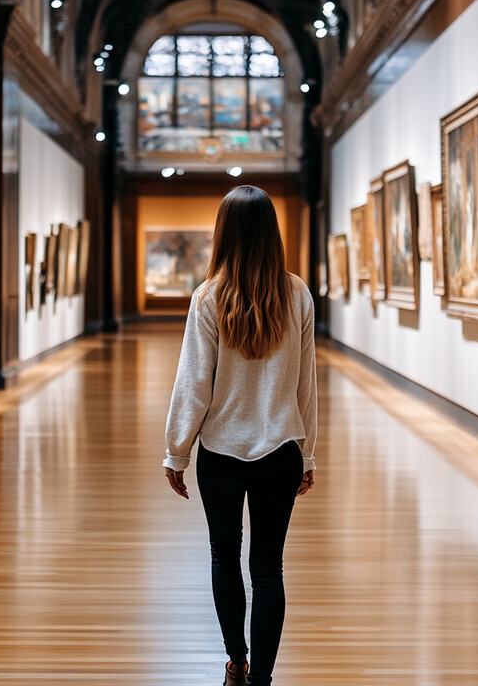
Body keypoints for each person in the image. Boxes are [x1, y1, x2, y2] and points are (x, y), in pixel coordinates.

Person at [163, 185, 317, 686]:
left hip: (222, 455)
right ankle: (261, 680)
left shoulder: (208, 297)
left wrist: (176, 452)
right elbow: (305, 387)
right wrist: (307, 454)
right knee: (268, 568)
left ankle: (236, 661)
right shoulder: (296, 294)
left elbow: (194, 384)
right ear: (272, 233)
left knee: (224, 555)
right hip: (280, 452)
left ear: (223, 233)